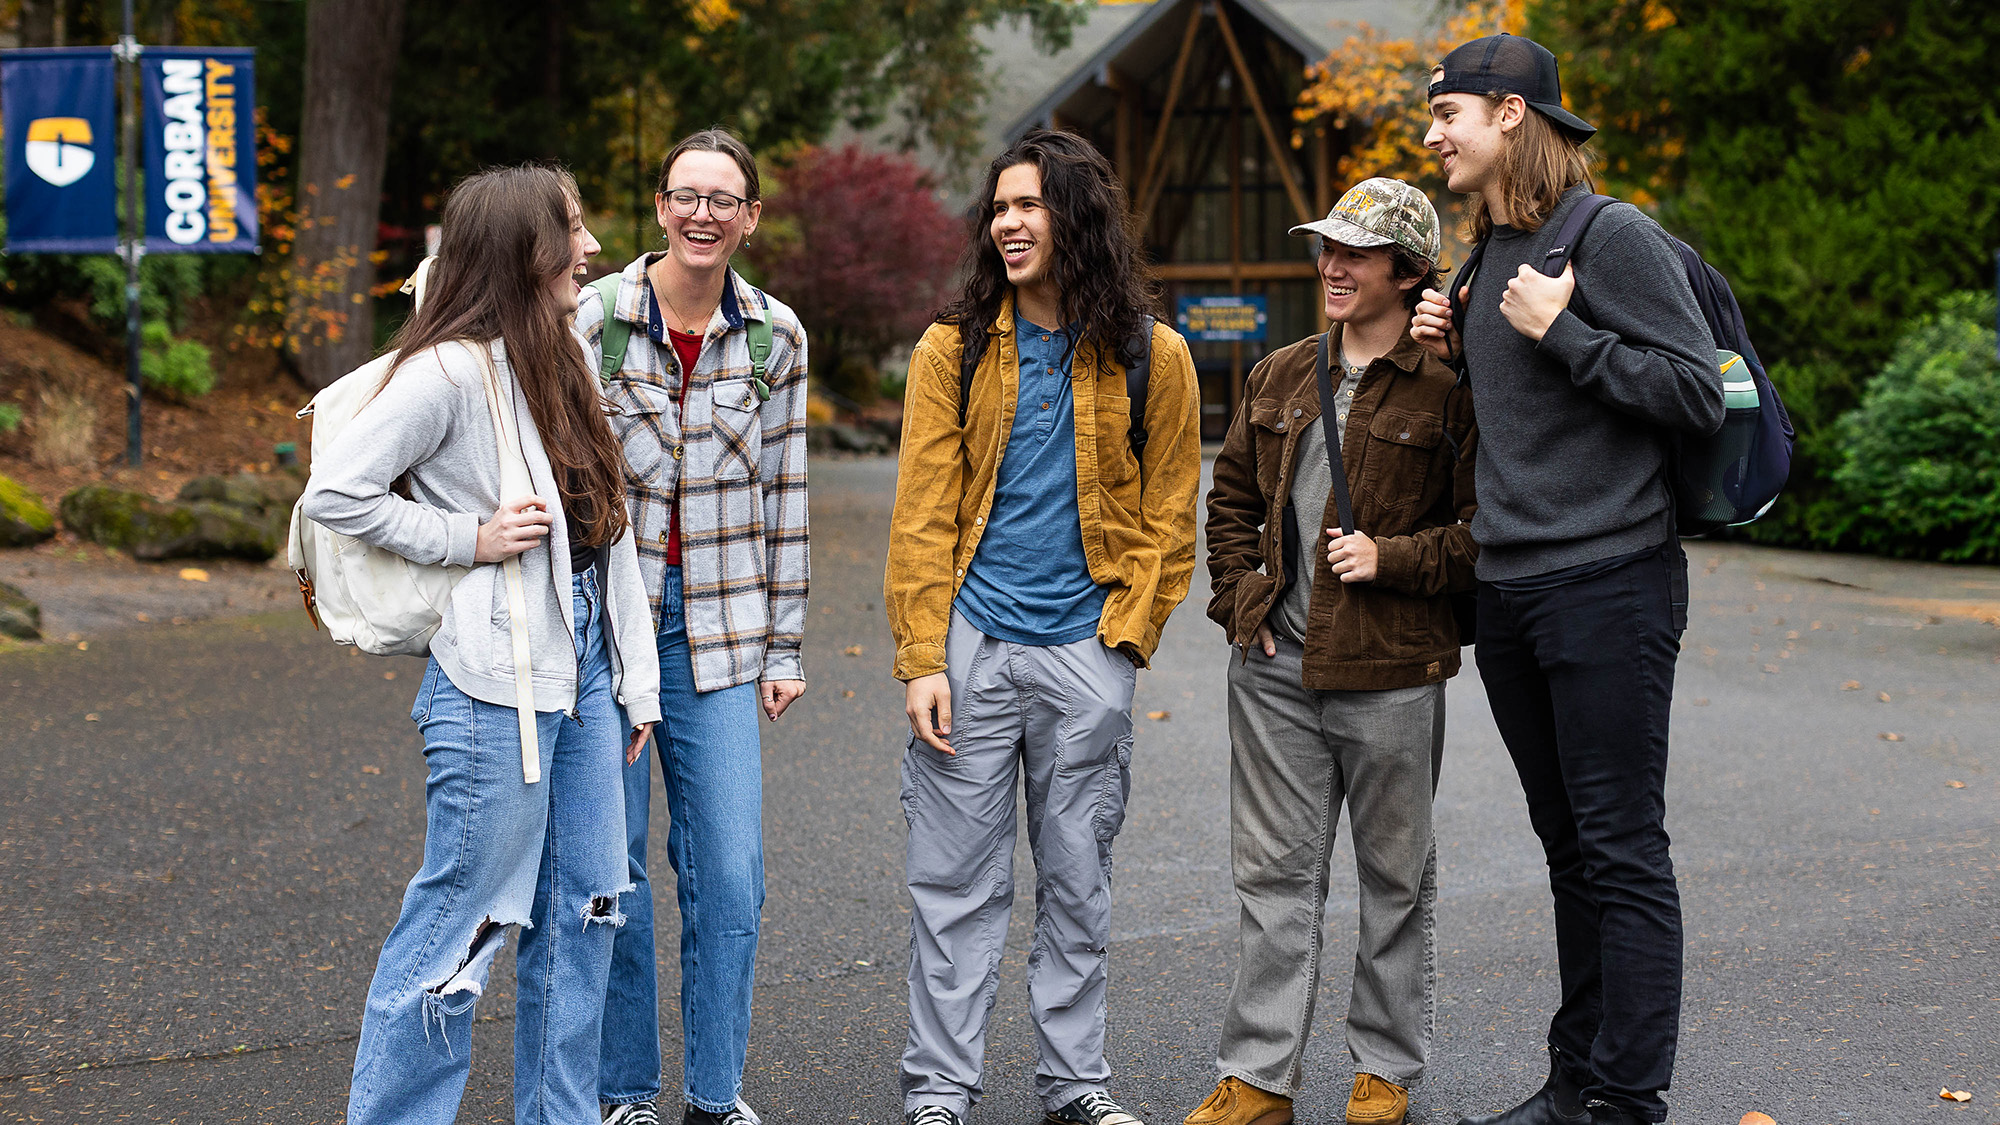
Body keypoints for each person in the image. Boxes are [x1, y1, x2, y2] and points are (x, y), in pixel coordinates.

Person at [303, 163, 663, 1125]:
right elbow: (336, 493)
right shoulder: (450, 371)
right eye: (572, 228)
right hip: (493, 679)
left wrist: (638, 679)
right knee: (461, 924)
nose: (590, 246)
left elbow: (609, 526)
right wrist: (466, 537)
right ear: (525, 249)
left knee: (590, 906)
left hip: (585, 663)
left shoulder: (564, 350)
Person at [1409, 33, 1724, 1125]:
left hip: (1609, 581)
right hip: (1510, 592)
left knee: (1620, 847)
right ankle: (1573, 1084)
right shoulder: (1482, 251)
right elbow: (1517, 426)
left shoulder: (1612, 235)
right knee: (1567, 852)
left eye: (1444, 113)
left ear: (1507, 114)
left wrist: (1569, 334)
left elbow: (1697, 393)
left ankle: (1625, 1102)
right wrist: (1453, 356)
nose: (1430, 134)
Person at [884, 129, 1201, 1125]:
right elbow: (922, 514)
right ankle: (938, 1092)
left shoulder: (1155, 356)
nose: (1008, 223)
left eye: (1029, 205)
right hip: (971, 646)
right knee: (953, 889)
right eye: (998, 207)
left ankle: (1073, 1087)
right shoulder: (954, 348)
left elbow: (1169, 514)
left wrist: (1124, 645)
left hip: (1084, 652)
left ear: (1079, 216)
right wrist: (921, 657)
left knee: (1077, 885)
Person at [1187, 178, 1476, 1125]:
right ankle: (1259, 1079)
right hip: (1274, 674)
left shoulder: (1450, 389)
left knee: (1395, 879)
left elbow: (1486, 532)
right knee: (1272, 877)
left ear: (1408, 272)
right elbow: (1226, 503)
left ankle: (1384, 1071)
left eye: (1354, 252)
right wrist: (1240, 604)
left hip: (1391, 673)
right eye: (1327, 248)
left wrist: (1391, 557)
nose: (1331, 265)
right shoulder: (1278, 374)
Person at [575, 127, 810, 1125]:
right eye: (685, 196)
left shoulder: (775, 338)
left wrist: (784, 646)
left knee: (729, 876)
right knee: (612, 871)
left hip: (717, 641)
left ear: (750, 217)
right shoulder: (594, 319)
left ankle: (713, 1095)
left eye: (723, 199)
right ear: (660, 208)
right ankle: (626, 1092)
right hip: (607, 639)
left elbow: (786, 497)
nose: (702, 214)